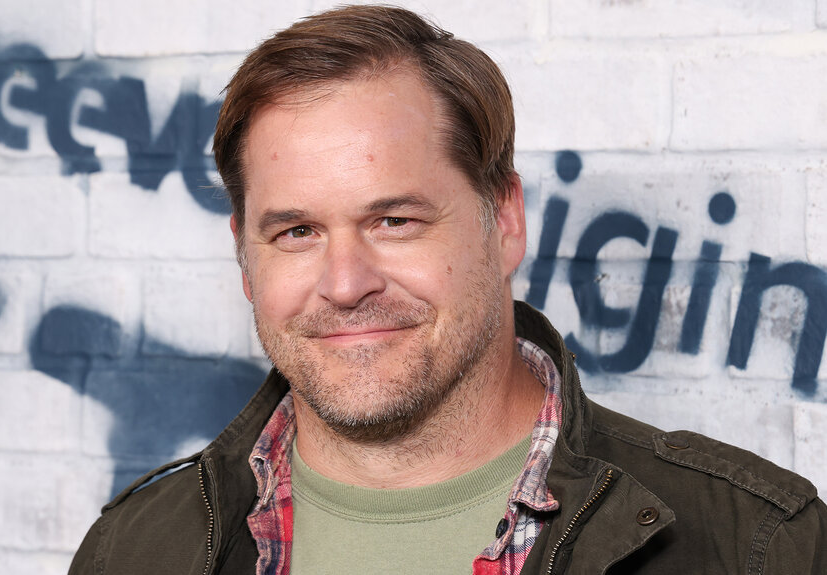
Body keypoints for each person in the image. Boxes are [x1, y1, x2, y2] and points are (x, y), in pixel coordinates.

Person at [69, 5, 827, 574]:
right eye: (296, 231)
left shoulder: (757, 545)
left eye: (394, 219)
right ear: (244, 253)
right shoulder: (135, 549)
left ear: (504, 220)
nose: (345, 284)